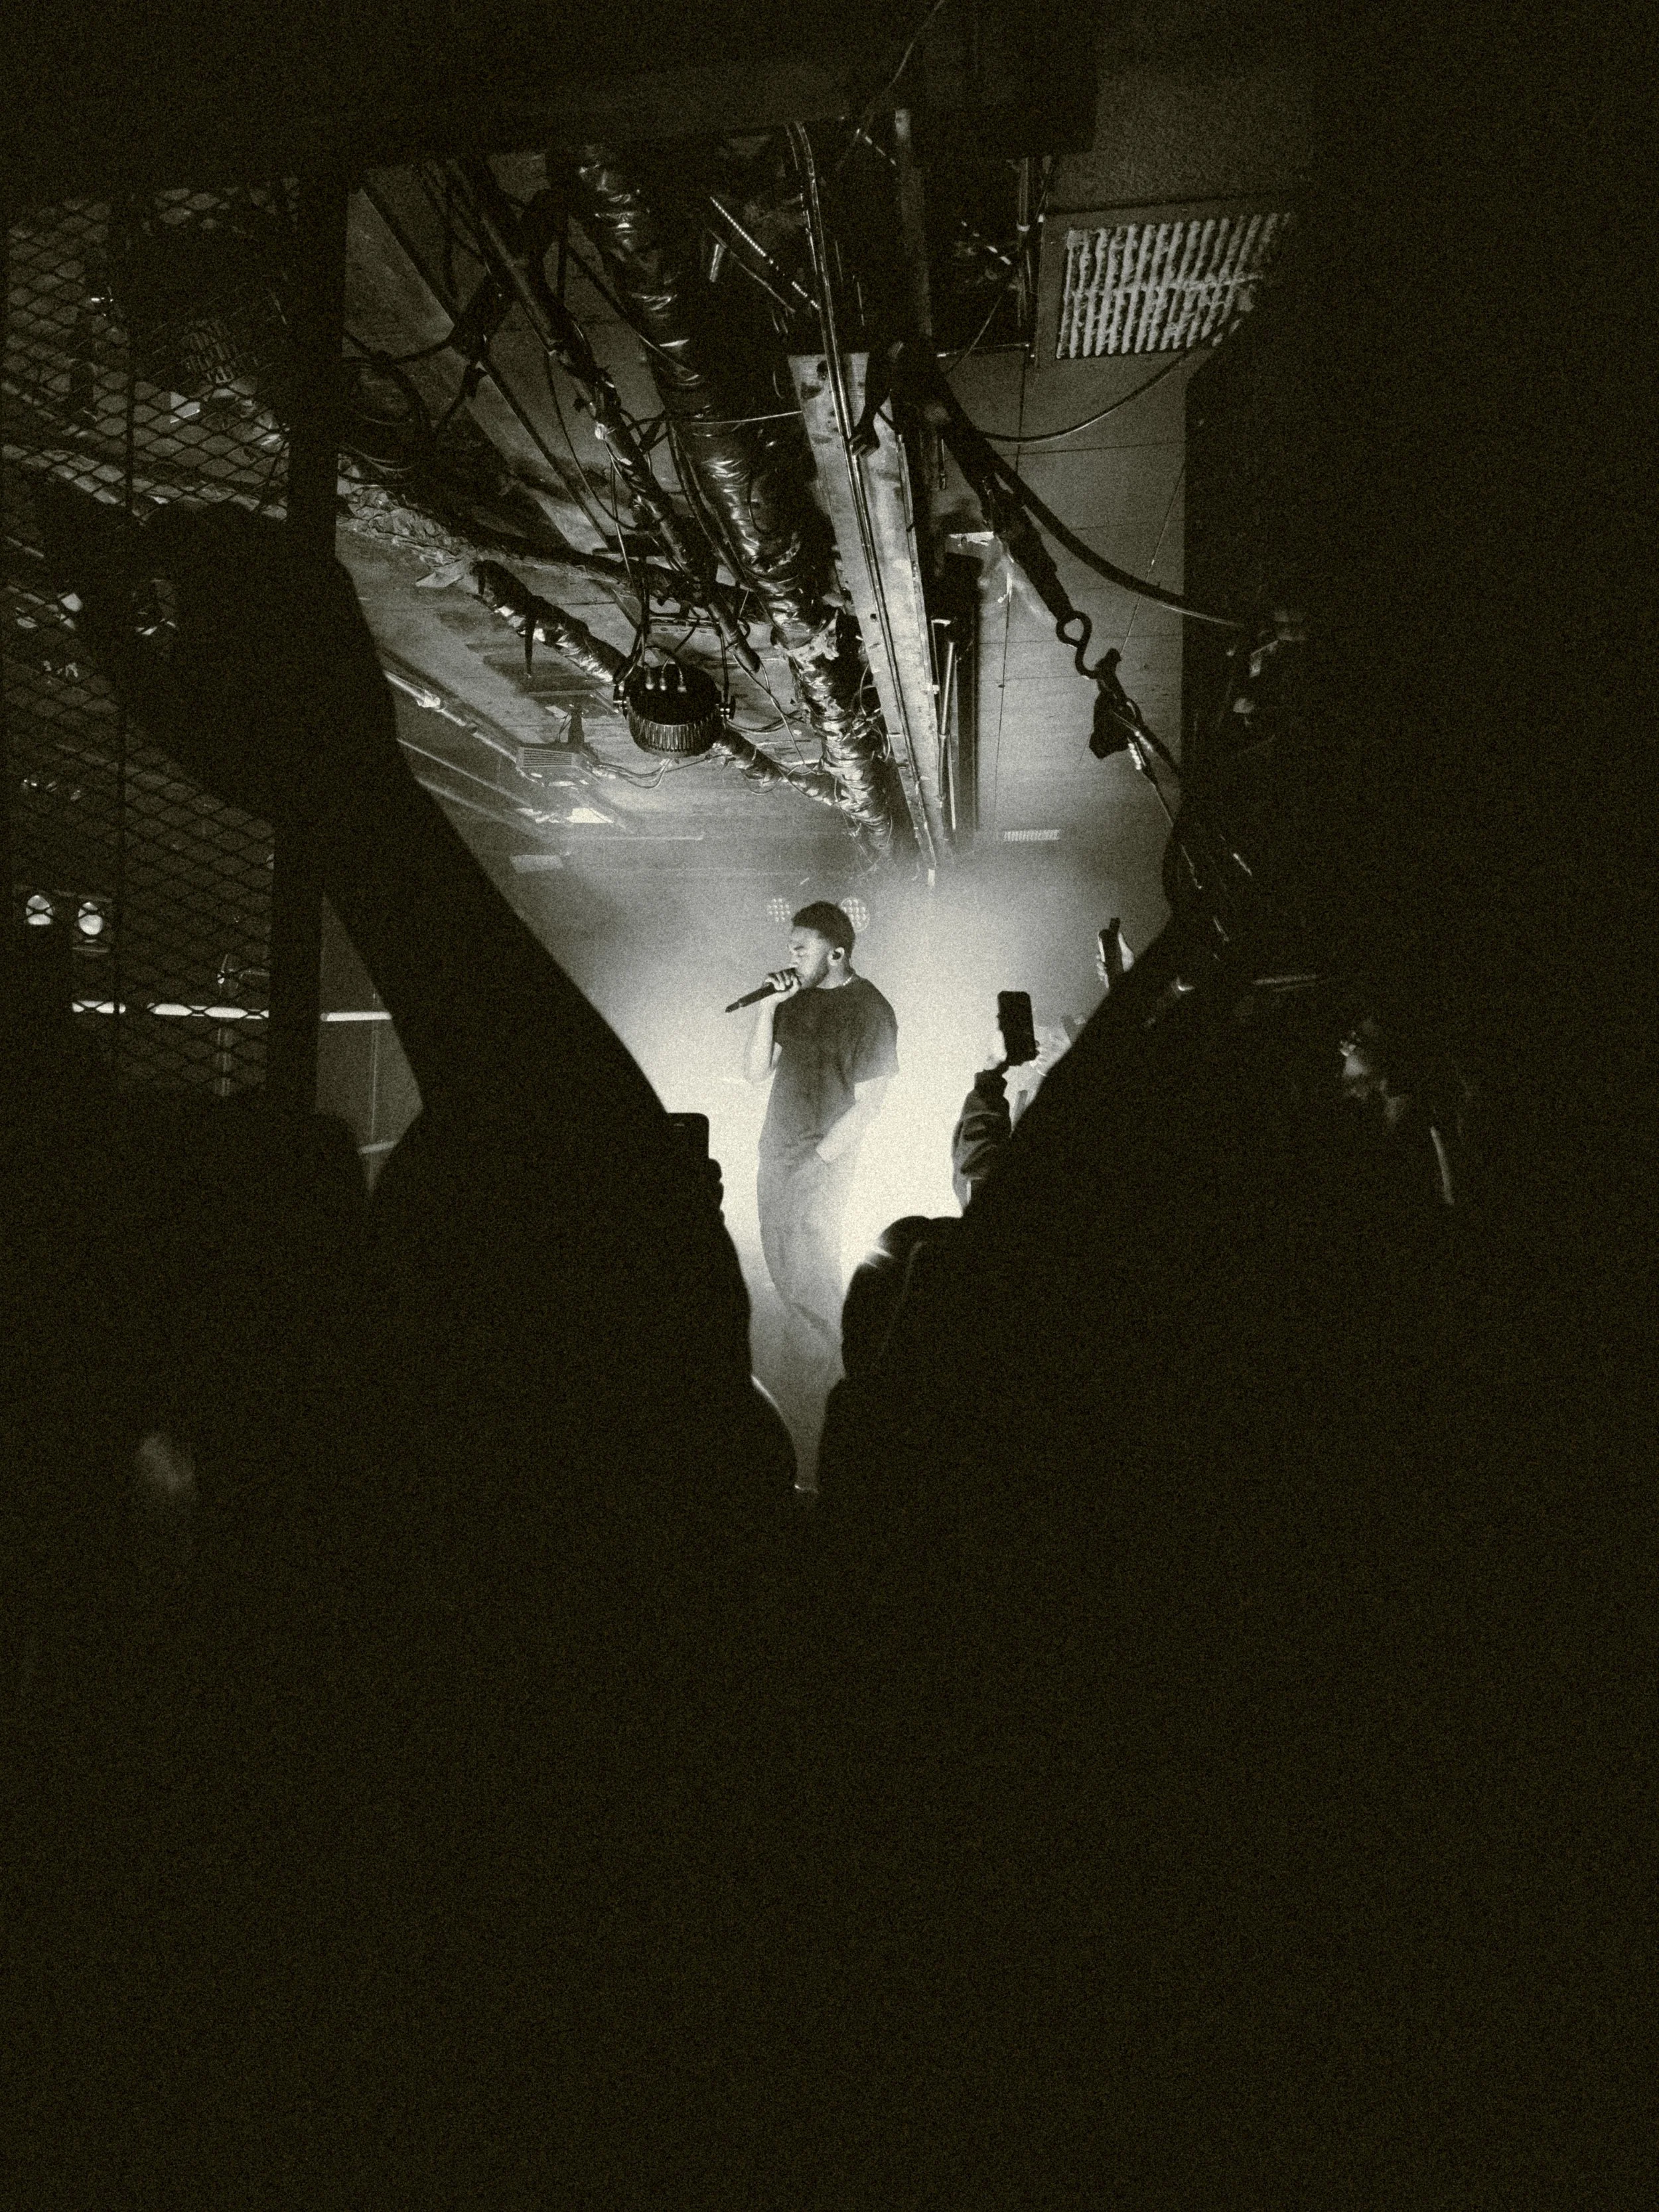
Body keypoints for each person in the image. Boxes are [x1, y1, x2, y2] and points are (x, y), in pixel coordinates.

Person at [6, 498, 803, 2207]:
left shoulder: (190, 1802)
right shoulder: (494, 1679)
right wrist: (344, 790)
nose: (263, 1135)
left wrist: (343, 791)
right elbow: (595, 1211)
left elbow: (586, 1211)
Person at [747, 902, 899, 1360]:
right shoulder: (796, 1000)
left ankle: (830, 1381)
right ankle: (803, 1373)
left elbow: (870, 1104)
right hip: (776, 1154)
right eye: (790, 948)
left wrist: (819, 1163)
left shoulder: (871, 1009)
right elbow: (756, 1072)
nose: (791, 957)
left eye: (801, 949)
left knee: (813, 1275)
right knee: (782, 1270)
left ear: (835, 954)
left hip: (823, 1162)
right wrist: (769, 1006)